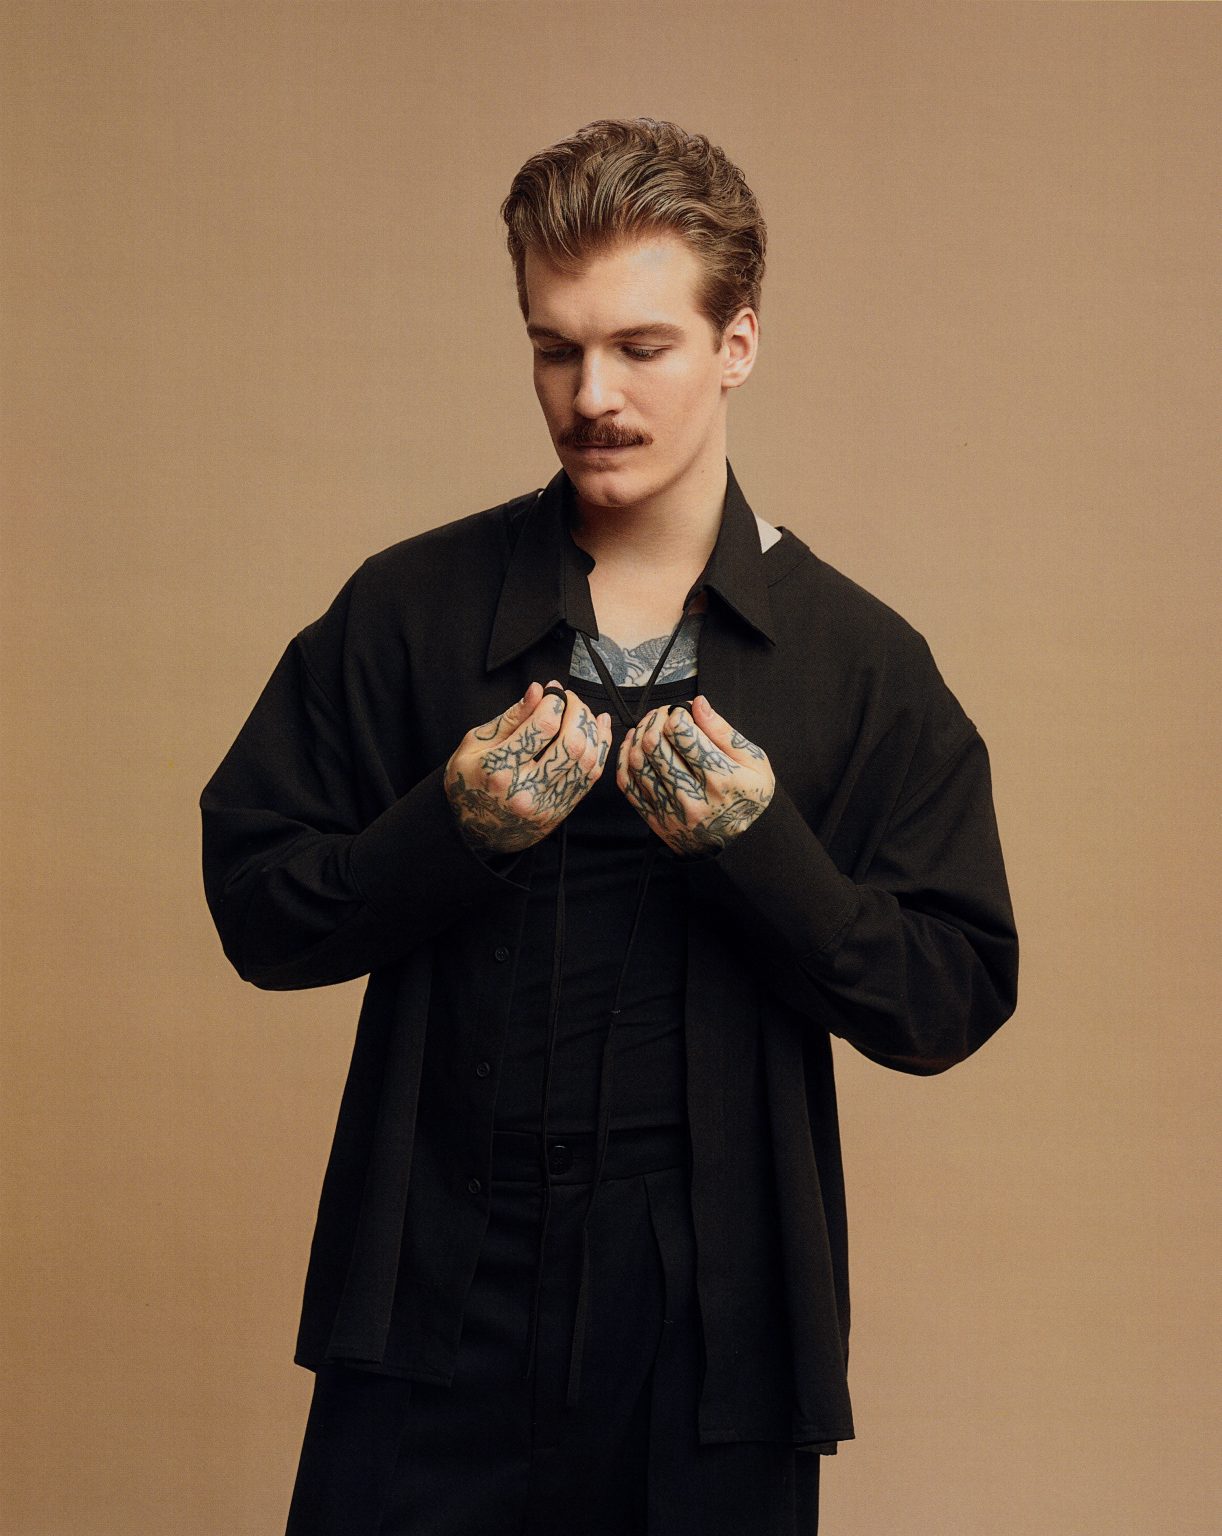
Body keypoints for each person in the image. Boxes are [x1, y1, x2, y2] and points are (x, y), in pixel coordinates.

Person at [200, 118, 1018, 1536]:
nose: (591, 397)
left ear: (735, 345)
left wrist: (767, 853)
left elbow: (948, 998)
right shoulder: (406, 610)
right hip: (431, 1301)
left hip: (710, 1337)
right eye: (554, 350)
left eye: (641, 348)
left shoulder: (860, 661)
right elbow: (257, 908)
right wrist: (445, 830)